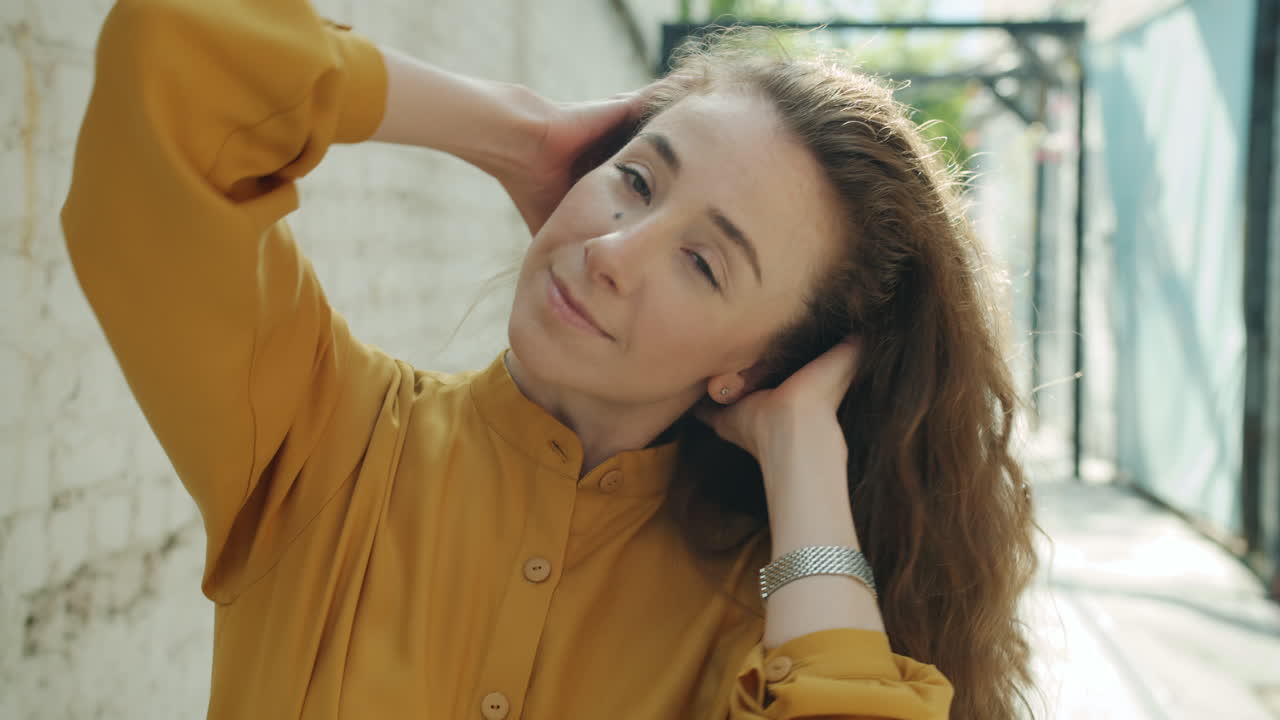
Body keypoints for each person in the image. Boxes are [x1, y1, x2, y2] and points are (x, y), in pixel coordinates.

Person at [62, 0, 1038, 718]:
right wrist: (512, 130)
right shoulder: (326, 443)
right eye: (634, 180)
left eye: (700, 262)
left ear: (755, 367)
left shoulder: (768, 624)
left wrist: (802, 458)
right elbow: (173, 50)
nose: (612, 252)